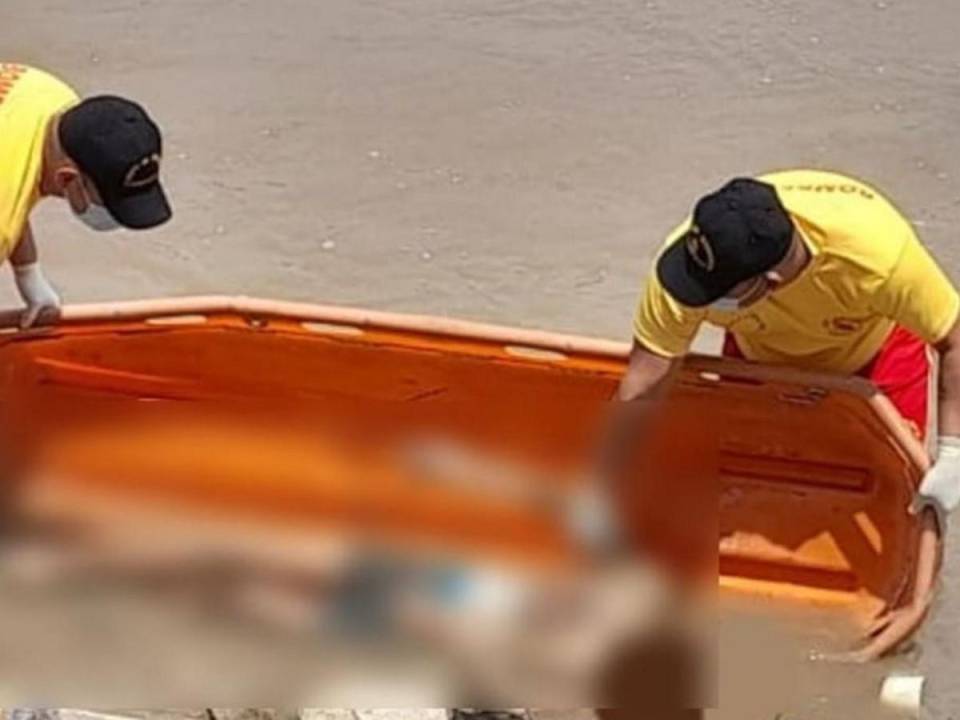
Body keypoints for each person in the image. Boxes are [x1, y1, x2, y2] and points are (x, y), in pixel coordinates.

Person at [568, 169, 960, 555]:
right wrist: (603, 484)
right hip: (759, 352)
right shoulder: (687, 267)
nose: (695, 299)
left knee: (896, 495)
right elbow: (644, 383)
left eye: (714, 293)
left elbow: (953, 339)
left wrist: (953, 451)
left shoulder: (879, 259)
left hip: (875, 352)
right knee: (746, 478)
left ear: (770, 283)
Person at [0, 62, 171, 328]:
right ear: (68, 179)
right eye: (109, 203)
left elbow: (15, 186)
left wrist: (28, 275)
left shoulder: (50, 95)